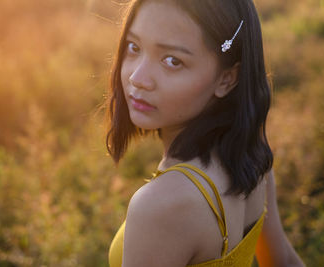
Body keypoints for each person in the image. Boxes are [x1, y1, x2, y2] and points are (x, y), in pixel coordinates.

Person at [105, 0, 306, 266]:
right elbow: (283, 262)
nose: (138, 77)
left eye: (172, 61)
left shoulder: (161, 206)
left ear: (227, 79)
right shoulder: (251, 157)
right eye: (134, 47)